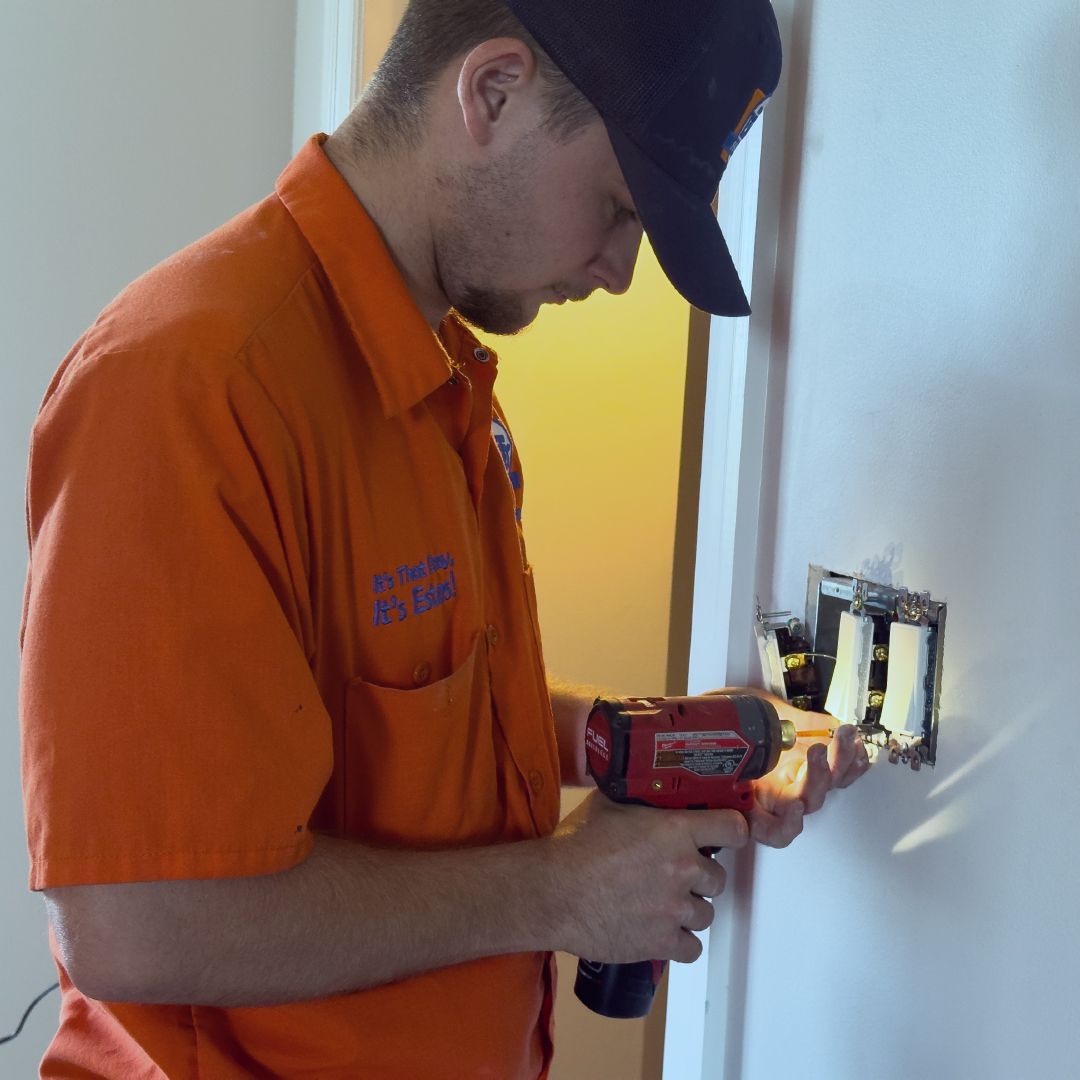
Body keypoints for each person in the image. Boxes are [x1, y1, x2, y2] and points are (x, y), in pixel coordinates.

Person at [18, 0, 869, 1077]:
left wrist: (634, 742)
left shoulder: (441, 381)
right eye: (617, 206)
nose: (618, 270)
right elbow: (140, 925)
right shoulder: (192, 387)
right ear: (493, 90)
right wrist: (562, 889)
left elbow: (417, 712)